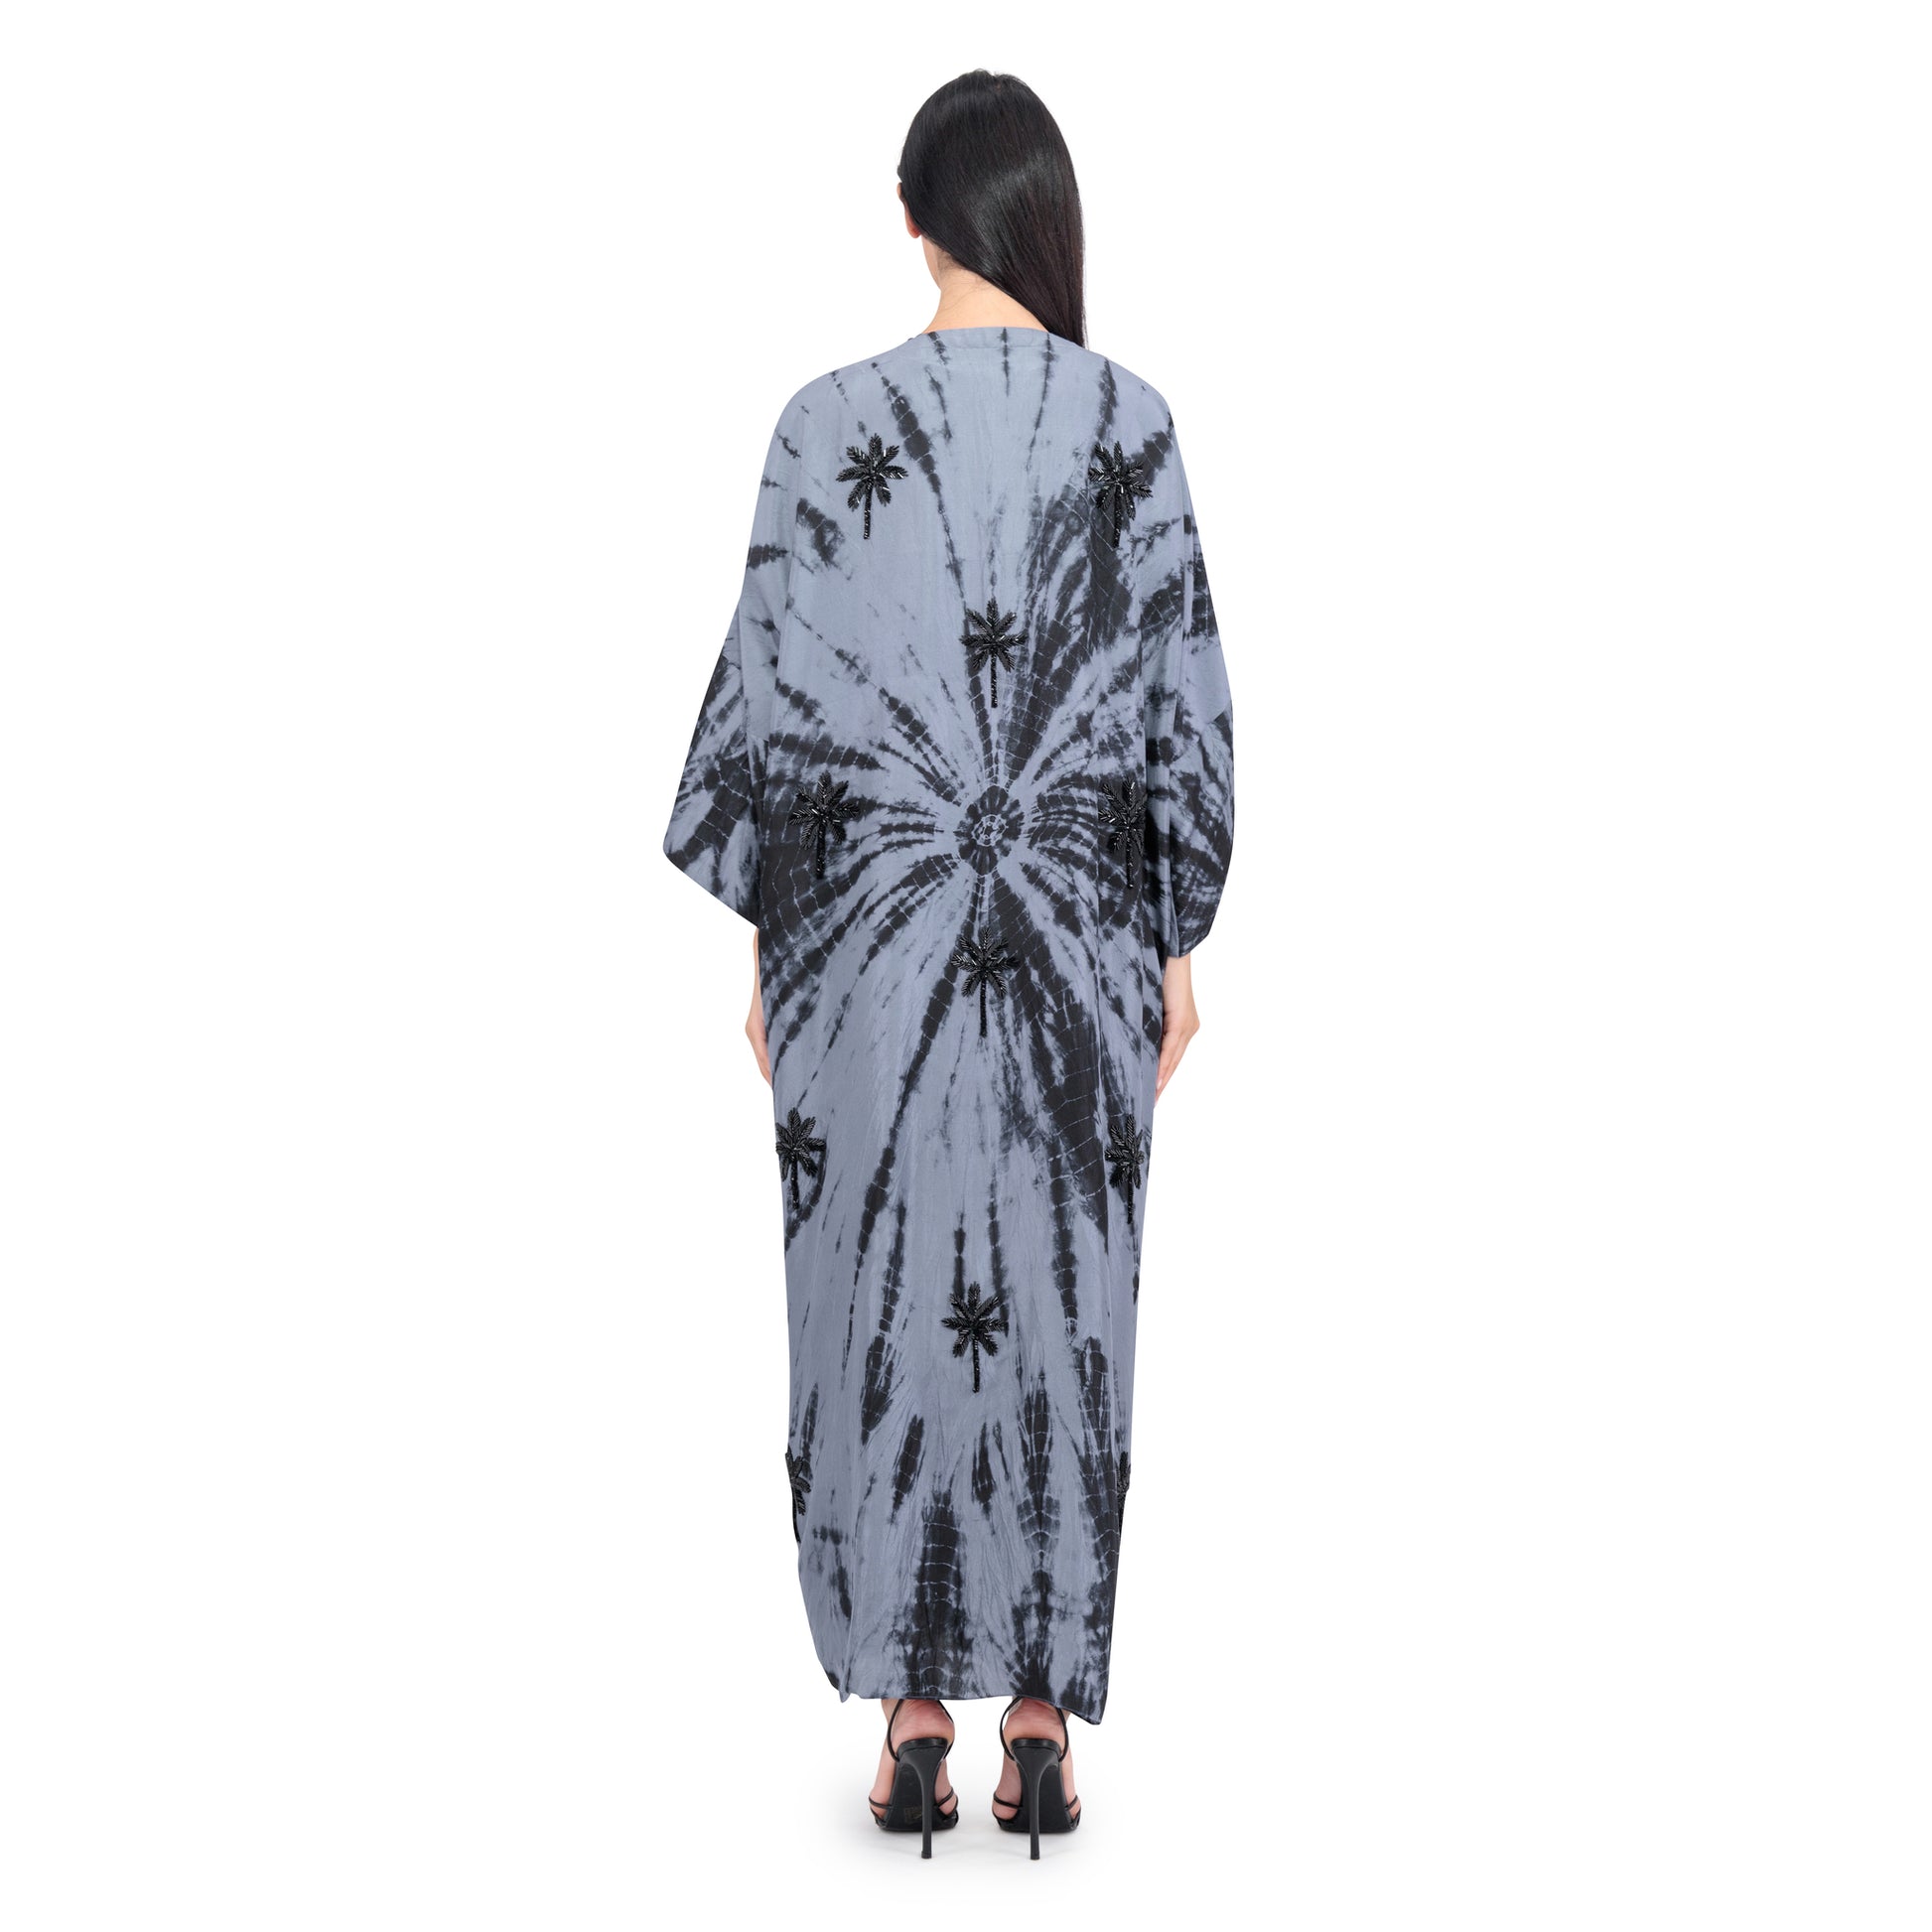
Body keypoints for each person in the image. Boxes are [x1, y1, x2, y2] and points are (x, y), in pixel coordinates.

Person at [663, 69, 1235, 1859]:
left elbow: (775, 713)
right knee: (1062, 1302)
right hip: (1074, 946)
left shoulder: (817, 426)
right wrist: (1174, 936)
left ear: (910, 220)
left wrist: (776, 947)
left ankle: (908, 1707)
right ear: (1042, 221)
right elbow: (1180, 709)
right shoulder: (1131, 429)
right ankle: (1041, 1719)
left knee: (882, 1290)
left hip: (866, 951)